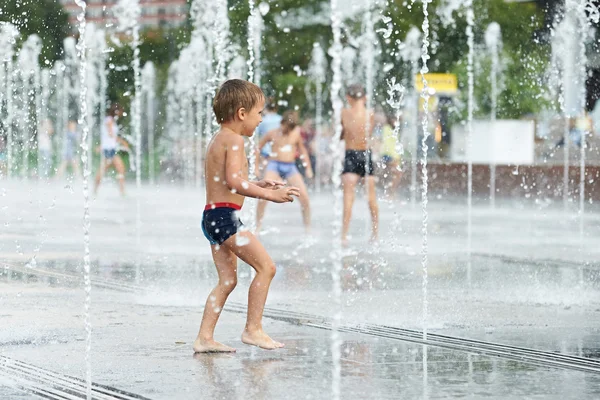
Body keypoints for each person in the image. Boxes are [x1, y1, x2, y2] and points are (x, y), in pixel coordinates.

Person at [194, 79, 300, 353]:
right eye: (259, 113)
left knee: (228, 280)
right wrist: (269, 195)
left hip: (213, 217)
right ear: (242, 114)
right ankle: (253, 329)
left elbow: (234, 180)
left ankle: (205, 338)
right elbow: (233, 182)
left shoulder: (221, 138)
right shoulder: (235, 140)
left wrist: (260, 183)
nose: (261, 119)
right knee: (267, 267)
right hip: (226, 219)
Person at [255, 111, 313, 234]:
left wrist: (308, 168)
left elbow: (302, 151)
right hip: (274, 165)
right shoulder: (272, 133)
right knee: (263, 196)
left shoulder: (295, 134)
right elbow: (257, 148)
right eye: (285, 127)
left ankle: (307, 229)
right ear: (281, 123)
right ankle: (258, 226)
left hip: (290, 166)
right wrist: (255, 167)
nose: (287, 131)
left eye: (290, 129)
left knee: (304, 198)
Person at [340, 84, 378, 246]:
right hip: (366, 155)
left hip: (351, 155)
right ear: (365, 97)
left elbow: (341, 134)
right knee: (371, 197)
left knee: (348, 197)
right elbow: (369, 134)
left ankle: (344, 235)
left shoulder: (343, 113)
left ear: (348, 97)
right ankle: (375, 234)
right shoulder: (371, 114)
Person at [94, 104, 129, 196]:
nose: (121, 113)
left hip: (109, 149)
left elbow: (108, 136)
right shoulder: (109, 120)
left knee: (113, 169)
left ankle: (95, 190)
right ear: (116, 111)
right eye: (120, 111)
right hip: (108, 149)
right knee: (117, 169)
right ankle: (122, 192)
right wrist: (122, 142)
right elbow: (110, 134)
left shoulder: (110, 120)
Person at [379, 113, 403, 198]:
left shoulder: (390, 129)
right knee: (398, 174)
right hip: (390, 155)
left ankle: (389, 192)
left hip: (390, 155)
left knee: (393, 174)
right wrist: (395, 157)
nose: (396, 121)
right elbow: (388, 144)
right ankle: (390, 192)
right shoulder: (387, 129)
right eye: (394, 119)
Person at [256, 97, 282, 174]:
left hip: (265, 151)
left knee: (265, 175)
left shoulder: (262, 120)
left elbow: (256, 134)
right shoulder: (281, 119)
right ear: (276, 108)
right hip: (278, 150)